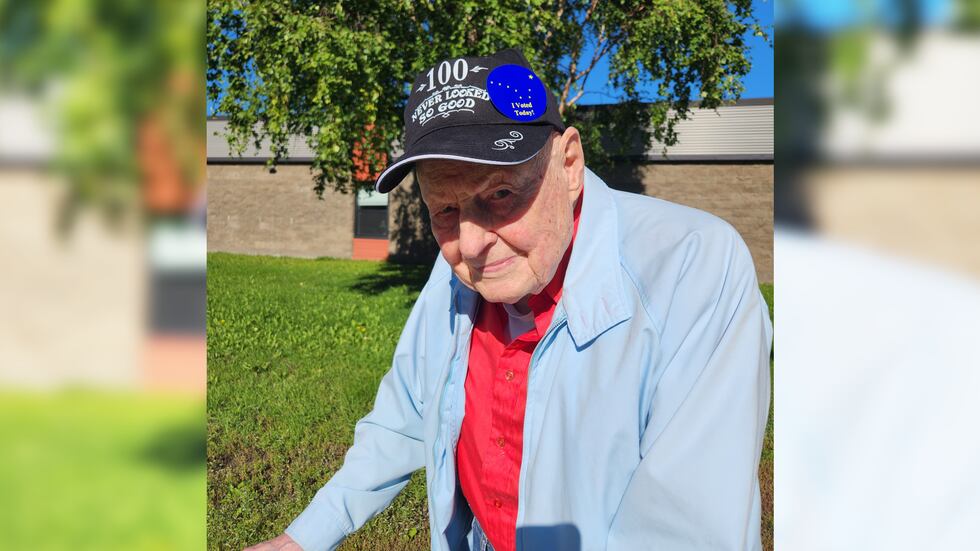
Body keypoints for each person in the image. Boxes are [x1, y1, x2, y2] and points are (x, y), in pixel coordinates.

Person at [246, 48, 771, 551]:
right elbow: (404, 411)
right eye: (444, 210)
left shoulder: (694, 268)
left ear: (568, 164)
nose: (470, 243)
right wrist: (302, 538)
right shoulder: (455, 270)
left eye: (500, 194)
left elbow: (682, 529)